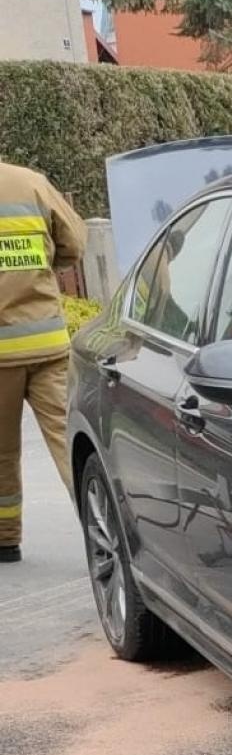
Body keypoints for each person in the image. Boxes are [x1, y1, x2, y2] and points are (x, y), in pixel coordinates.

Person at [0, 157, 87, 562]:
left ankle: (5, 539)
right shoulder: (31, 183)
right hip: (47, 342)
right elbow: (75, 242)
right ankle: (102, 527)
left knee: (2, 452)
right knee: (70, 440)